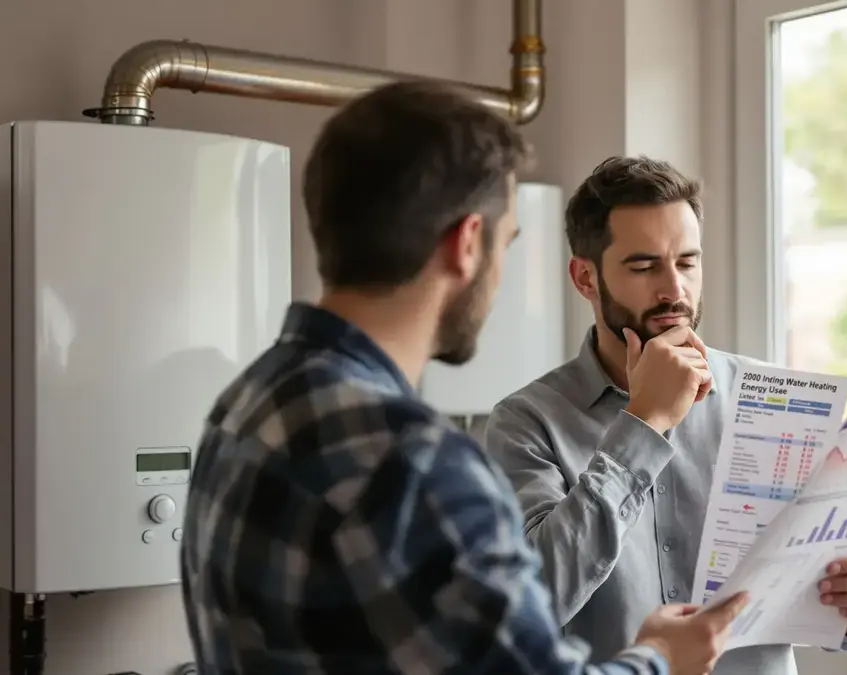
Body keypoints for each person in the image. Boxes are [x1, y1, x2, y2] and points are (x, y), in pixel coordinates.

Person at [179, 83, 750, 675]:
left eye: (686, 261)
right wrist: (659, 661)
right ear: (467, 243)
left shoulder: (245, 402)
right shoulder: (417, 462)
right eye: (507, 244)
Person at [484, 156, 847, 675]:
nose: (674, 290)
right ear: (585, 278)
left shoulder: (772, 399)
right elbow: (534, 600)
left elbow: (811, 591)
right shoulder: (524, 424)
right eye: (644, 267)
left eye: (686, 262)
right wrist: (644, 425)